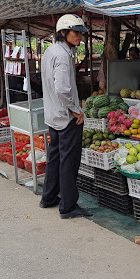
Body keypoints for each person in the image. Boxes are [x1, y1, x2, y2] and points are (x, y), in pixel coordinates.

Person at [40, 14, 92, 219]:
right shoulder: (62, 56)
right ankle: (68, 206)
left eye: (81, 33)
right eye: (76, 32)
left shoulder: (51, 51)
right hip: (65, 116)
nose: (80, 36)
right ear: (63, 33)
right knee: (69, 161)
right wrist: (75, 110)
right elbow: (62, 89)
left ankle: (49, 197)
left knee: (55, 158)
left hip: (53, 115)